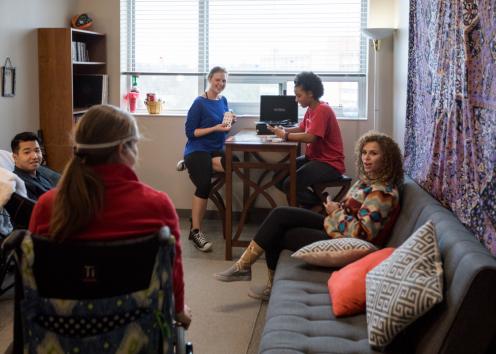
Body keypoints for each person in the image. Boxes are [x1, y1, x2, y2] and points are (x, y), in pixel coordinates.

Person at [29, 105, 191, 328]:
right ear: (123, 148)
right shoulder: (156, 205)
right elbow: (172, 270)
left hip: (62, 330)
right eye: (135, 144)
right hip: (133, 331)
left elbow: (36, 275)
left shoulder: (46, 206)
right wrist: (179, 310)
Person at [214, 131, 404, 301]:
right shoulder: (367, 181)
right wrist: (336, 206)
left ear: (387, 158)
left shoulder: (382, 193)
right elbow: (352, 211)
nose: (366, 158)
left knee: (279, 234)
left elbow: (362, 233)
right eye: (364, 152)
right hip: (333, 225)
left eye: (373, 153)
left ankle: (261, 280)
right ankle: (243, 267)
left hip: (340, 237)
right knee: (280, 214)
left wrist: (335, 211)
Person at [268, 71, 345, 208]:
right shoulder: (311, 109)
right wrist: (280, 130)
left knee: (289, 184)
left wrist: (285, 135)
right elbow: (303, 127)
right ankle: (317, 203)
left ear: (310, 93)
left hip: (330, 164)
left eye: (299, 96)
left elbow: (311, 137)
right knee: (278, 176)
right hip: (314, 159)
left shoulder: (322, 110)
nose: (296, 100)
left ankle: (322, 204)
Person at [183, 66, 234, 252]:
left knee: (234, 162)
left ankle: (191, 165)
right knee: (204, 183)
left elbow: (224, 128)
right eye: (218, 79)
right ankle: (196, 231)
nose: (221, 84)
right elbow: (190, 133)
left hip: (215, 150)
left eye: (224, 81)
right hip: (197, 148)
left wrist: (229, 124)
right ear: (210, 79)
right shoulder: (199, 103)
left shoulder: (224, 101)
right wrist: (215, 128)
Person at [11, 132, 60, 200]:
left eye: (37, 150)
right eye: (27, 152)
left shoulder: (42, 174)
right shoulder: (18, 183)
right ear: (15, 157)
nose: (35, 156)